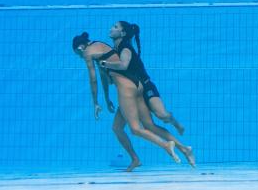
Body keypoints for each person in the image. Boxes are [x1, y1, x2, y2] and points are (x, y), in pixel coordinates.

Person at [72, 32, 183, 171]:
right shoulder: (101, 47)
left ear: (80, 48)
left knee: (136, 129)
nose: (80, 57)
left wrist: (95, 103)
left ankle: (166, 145)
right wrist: (107, 99)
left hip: (126, 89)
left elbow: (93, 80)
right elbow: (103, 78)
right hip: (137, 85)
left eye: (78, 54)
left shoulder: (88, 53)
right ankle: (136, 159)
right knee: (120, 127)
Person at [100, 22, 195, 167]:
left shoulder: (125, 48)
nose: (111, 28)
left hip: (145, 85)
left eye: (115, 27)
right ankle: (184, 148)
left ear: (123, 33)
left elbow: (124, 65)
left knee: (162, 116)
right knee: (145, 126)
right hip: (133, 91)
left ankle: (176, 123)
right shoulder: (115, 49)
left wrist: (105, 64)